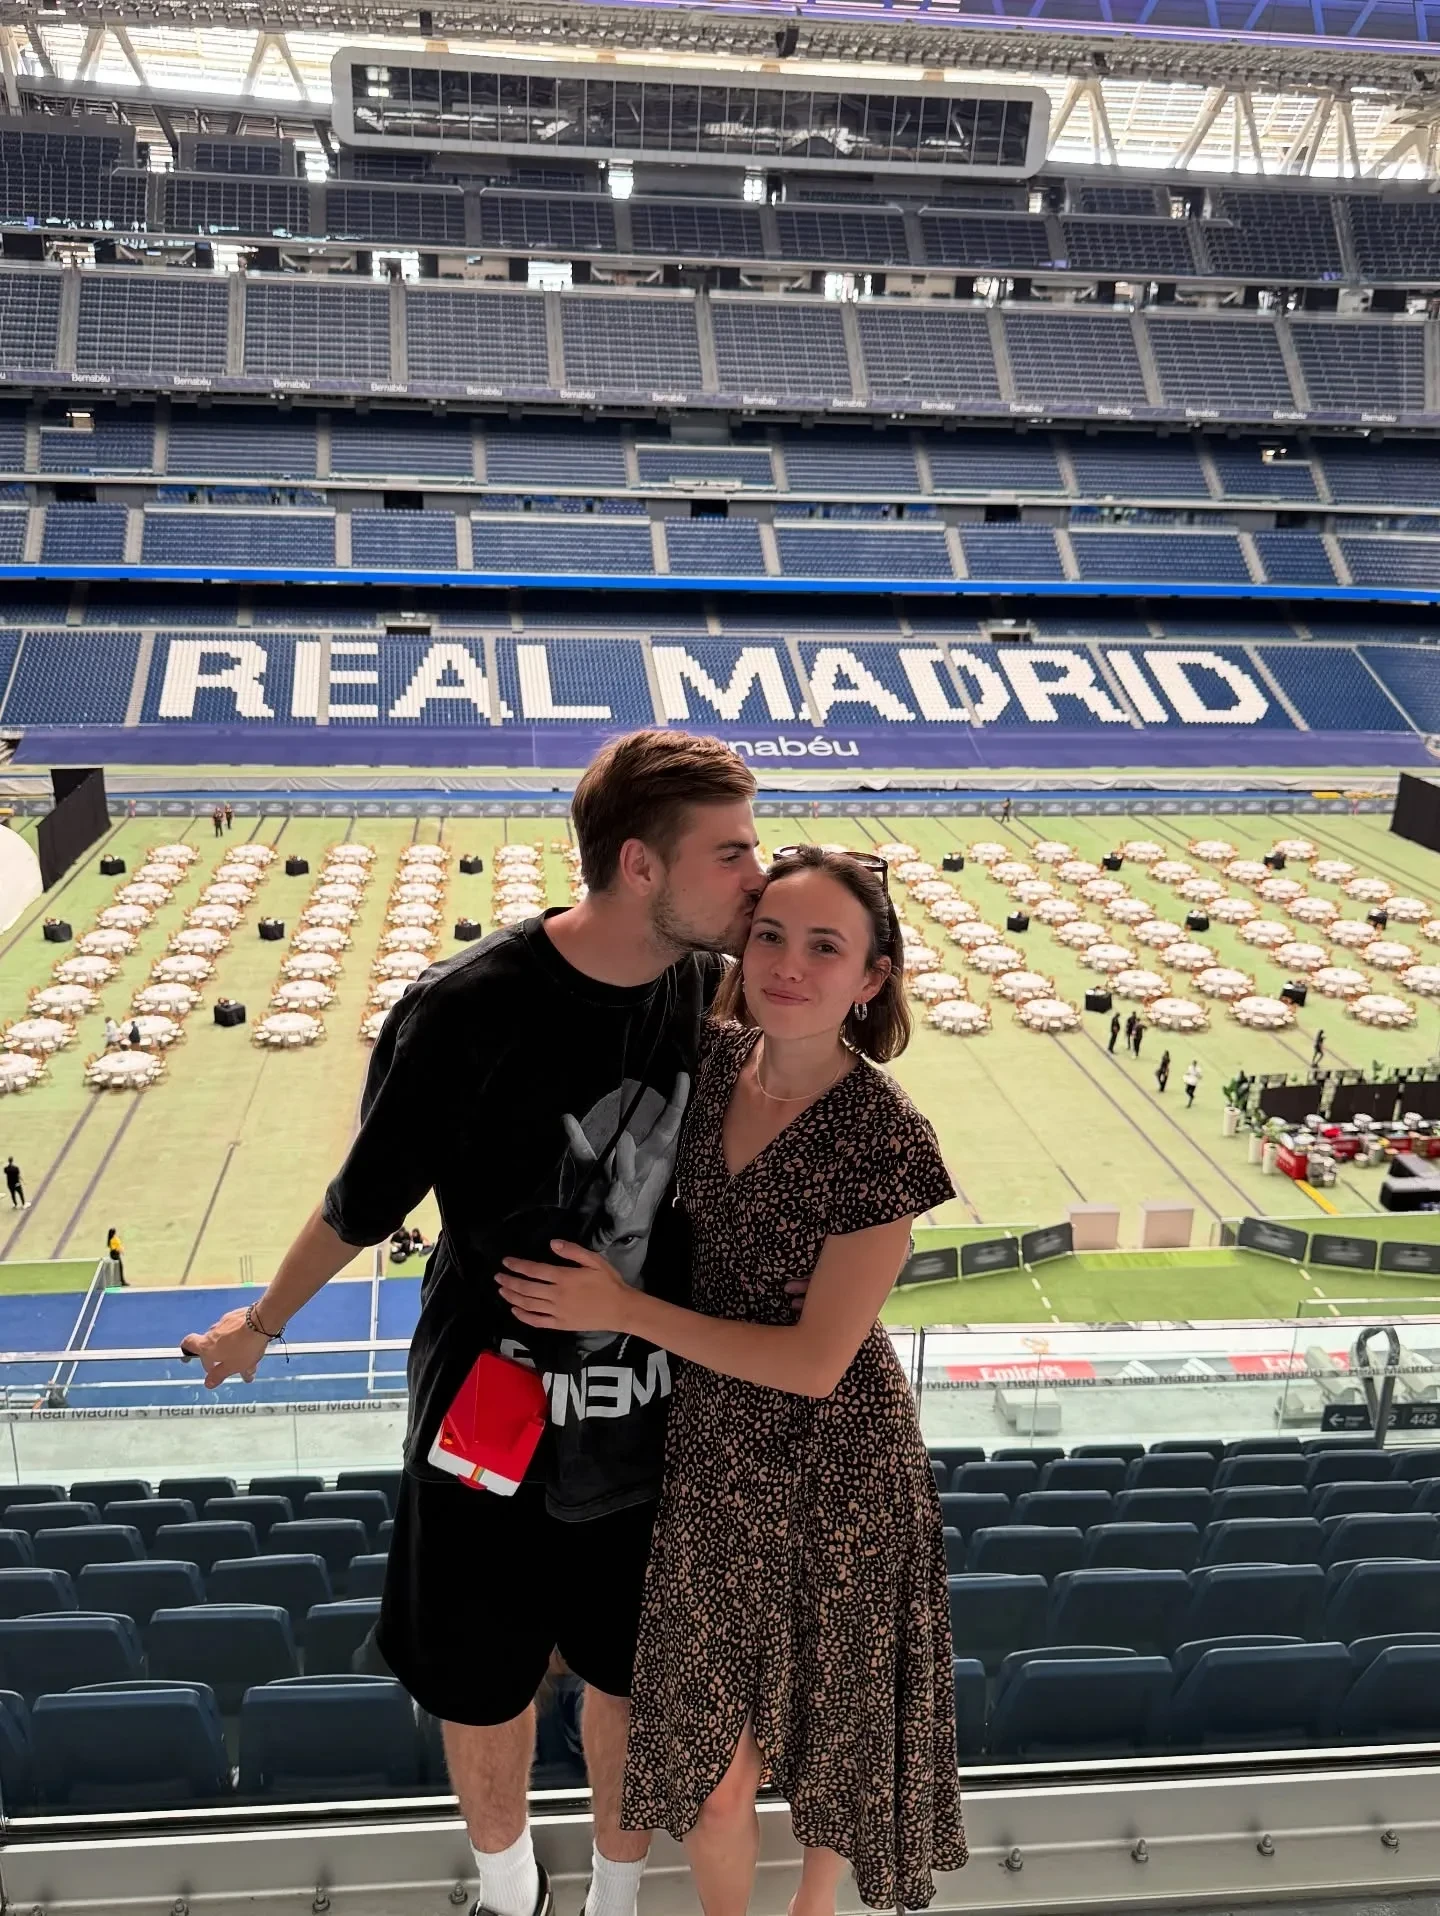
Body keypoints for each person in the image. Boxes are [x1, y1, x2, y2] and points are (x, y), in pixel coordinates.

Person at [178, 730, 767, 1916]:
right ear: (641, 865)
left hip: (650, 1417)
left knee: (631, 1675)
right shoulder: (466, 1009)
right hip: (485, 1412)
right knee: (480, 1678)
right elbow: (361, 1201)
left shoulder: (711, 990)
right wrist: (262, 1324)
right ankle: (509, 1890)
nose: (757, 875)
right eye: (733, 852)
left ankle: (613, 1895)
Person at [499, 847, 967, 1914]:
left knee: (840, 1733)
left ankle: (812, 1907)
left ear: (872, 978)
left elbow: (813, 1363)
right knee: (713, 1777)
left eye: (824, 946)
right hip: (710, 1451)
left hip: (838, 1464)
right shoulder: (708, 1061)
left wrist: (624, 1312)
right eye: (770, 935)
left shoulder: (888, 1137)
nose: (789, 965)